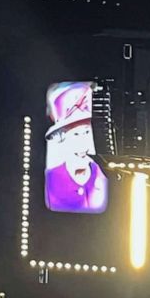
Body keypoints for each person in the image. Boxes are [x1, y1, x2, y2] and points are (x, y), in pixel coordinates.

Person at [44, 82, 108, 214]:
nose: (83, 142)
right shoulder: (52, 181)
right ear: (61, 138)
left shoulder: (104, 175)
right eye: (76, 134)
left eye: (86, 132)